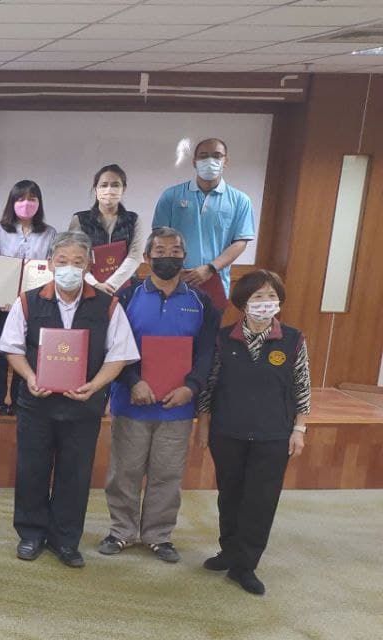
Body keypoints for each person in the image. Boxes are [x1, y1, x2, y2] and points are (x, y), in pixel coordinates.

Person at [0, 231, 140, 568]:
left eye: (78, 262)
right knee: (32, 469)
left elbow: (119, 355)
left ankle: (65, 539)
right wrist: (30, 377)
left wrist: (95, 385)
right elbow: (13, 348)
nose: (69, 268)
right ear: (49, 265)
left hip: (83, 405)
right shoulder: (29, 301)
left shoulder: (108, 305)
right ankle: (31, 534)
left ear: (89, 264)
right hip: (36, 402)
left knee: (74, 473)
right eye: (62, 262)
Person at [101, 228, 220, 563]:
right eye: (161, 251)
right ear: (147, 257)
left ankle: (158, 535)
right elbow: (115, 346)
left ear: (185, 256)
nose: (168, 256)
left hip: (178, 406)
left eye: (175, 251)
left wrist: (192, 387)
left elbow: (207, 352)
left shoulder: (201, 301)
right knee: (125, 470)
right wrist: (133, 380)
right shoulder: (127, 297)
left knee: (167, 474)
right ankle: (121, 531)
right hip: (131, 400)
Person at [196, 270, 309, 595]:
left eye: (271, 297)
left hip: (273, 434)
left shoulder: (293, 338)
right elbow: (208, 386)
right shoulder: (223, 337)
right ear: (243, 302)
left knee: (260, 500)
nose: (265, 303)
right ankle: (228, 551)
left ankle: (245, 566)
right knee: (229, 494)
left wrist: (299, 429)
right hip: (227, 431)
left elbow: (303, 387)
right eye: (258, 297)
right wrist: (203, 427)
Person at [0, 180, 57, 415]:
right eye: (20, 199)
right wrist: (1, 296)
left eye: (32, 199)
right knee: (0, 353)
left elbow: (49, 268)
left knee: (26, 350)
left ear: (39, 203)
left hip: (32, 304)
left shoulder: (49, 233)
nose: (26, 204)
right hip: (1, 304)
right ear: (12, 202)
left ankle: (18, 400)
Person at [152, 138, 256, 294]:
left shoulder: (241, 201)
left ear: (225, 161)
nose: (210, 160)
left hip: (215, 281)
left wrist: (210, 268)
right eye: (203, 156)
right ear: (194, 162)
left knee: (211, 318)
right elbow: (158, 236)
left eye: (217, 155)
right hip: (173, 280)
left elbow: (240, 242)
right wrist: (171, 268)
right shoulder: (171, 195)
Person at [69, 164, 145, 293]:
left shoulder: (133, 220)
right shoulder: (80, 220)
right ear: (96, 189)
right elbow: (75, 257)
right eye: (104, 185)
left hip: (125, 289)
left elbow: (135, 256)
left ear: (124, 189)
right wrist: (95, 284)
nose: (109, 190)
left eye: (115, 185)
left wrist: (111, 285)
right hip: (88, 287)